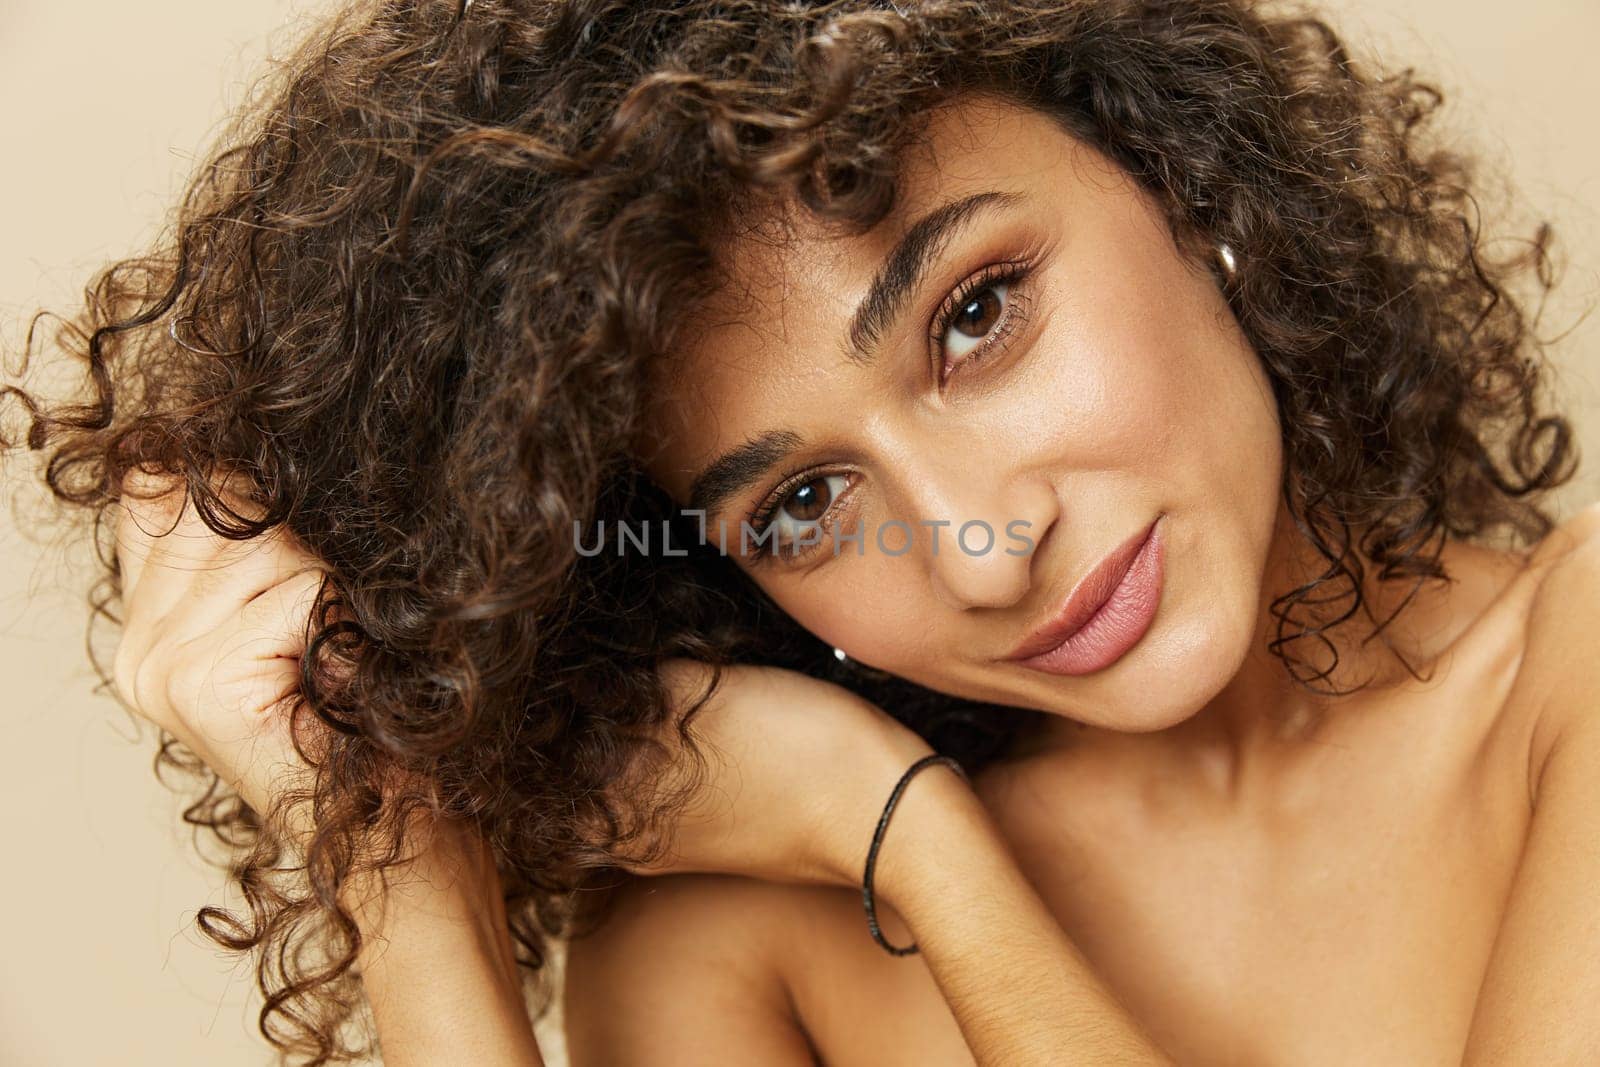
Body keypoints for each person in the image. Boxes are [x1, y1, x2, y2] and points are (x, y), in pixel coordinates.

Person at [7, 0, 1597, 1063]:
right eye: (804, 503)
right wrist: (392, 846)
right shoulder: (733, 954)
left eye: (977, 315)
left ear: (1176, 168)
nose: (982, 552)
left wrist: (947, 885)